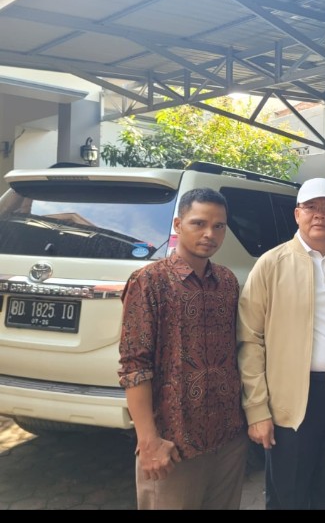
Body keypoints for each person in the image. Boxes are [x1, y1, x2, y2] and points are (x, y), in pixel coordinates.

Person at [237, 177, 325, 510]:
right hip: (292, 400)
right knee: (288, 495)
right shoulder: (271, 265)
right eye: (311, 207)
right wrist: (257, 409)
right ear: (297, 214)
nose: (320, 214)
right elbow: (250, 340)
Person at [118, 187, 249, 510]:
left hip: (227, 439)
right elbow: (134, 366)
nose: (209, 234)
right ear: (178, 225)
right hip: (173, 446)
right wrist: (148, 441)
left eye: (219, 226)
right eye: (199, 223)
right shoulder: (149, 282)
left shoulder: (227, 282)